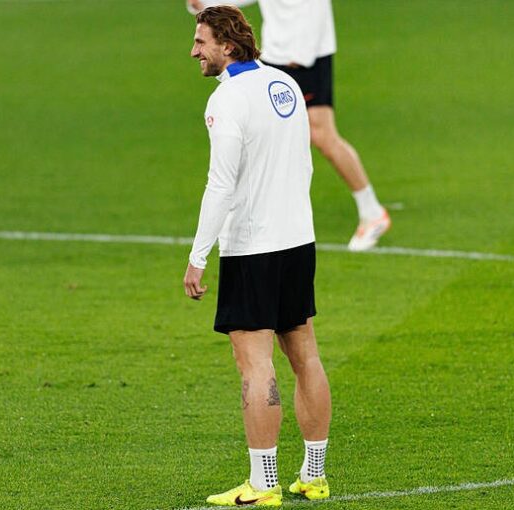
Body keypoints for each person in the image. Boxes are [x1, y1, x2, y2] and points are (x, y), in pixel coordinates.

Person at [183, 6, 331, 506]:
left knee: (255, 365)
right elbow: (304, 162)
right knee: (306, 356)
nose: (194, 52)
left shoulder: (226, 99)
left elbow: (220, 185)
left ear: (227, 46)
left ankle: (264, 483)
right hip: (298, 240)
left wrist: (198, 256)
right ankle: (314, 475)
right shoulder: (285, 84)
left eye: (201, 42)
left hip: (252, 248)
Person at [188, 0, 391, 251]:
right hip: (275, 55)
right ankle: (272, 219)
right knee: (274, 133)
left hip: (302, 57)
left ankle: (371, 212)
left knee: (320, 135)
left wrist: (302, 51)